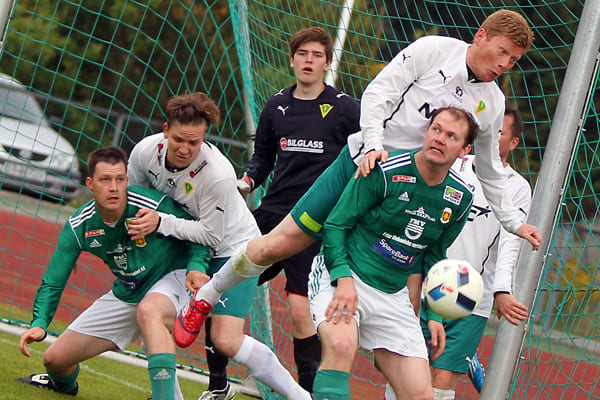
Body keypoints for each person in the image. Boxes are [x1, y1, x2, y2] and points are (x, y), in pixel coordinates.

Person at [174, 8, 542, 348]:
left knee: (396, 297)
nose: (504, 64)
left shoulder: (493, 102)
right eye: (502, 52)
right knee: (276, 244)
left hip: (400, 197)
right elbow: (379, 93)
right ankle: (205, 296)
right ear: (480, 36)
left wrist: (514, 222)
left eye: (513, 60)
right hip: (358, 165)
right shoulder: (433, 50)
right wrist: (374, 146)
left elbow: (490, 168)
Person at [126, 92, 311, 400]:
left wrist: (161, 222)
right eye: (179, 140)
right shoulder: (144, 153)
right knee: (152, 319)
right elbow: (136, 202)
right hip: (186, 250)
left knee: (226, 339)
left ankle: (302, 397)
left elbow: (211, 236)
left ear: (204, 138)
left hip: (234, 251)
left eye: (194, 143)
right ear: (165, 130)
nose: (185, 149)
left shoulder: (217, 173)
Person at [309, 107, 477, 400]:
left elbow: (434, 256)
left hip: (393, 294)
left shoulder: (460, 198)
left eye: (451, 136)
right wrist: (343, 279)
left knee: (421, 395)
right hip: (346, 274)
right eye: (436, 129)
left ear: (465, 150)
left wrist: (434, 315)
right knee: (341, 346)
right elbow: (335, 225)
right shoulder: (384, 170)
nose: (439, 138)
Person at [16, 147, 210, 400]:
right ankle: (63, 387)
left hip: (173, 276)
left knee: (150, 310)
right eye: (105, 180)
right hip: (129, 290)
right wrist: (40, 324)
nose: (114, 188)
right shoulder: (80, 226)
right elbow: (54, 281)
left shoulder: (151, 203)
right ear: (90, 184)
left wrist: (196, 266)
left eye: (120, 179)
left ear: (127, 180)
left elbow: (196, 233)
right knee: (55, 360)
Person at [233, 27, 360, 393]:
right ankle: (226, 380)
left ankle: (307, 391)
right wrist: (247, 181)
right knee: (224, 280)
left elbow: (367, 151)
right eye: (303, 54)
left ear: (327, 63)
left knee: (300, 310)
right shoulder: (275, 105)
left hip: (314, 222)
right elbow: (262, 157)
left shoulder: (345, 109)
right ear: (292, 60)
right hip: (273, 214)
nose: (309, 60)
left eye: (317, 55)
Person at [384, 107, 532, 400]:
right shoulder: (453, 164)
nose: (491, 138)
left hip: (471, 297)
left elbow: (510, 243)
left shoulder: (517, 187)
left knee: (441, 381)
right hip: (425, 284)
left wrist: (502, 289)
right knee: (410, 372)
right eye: (488, 130)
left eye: (500, 133)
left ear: (513, 143)